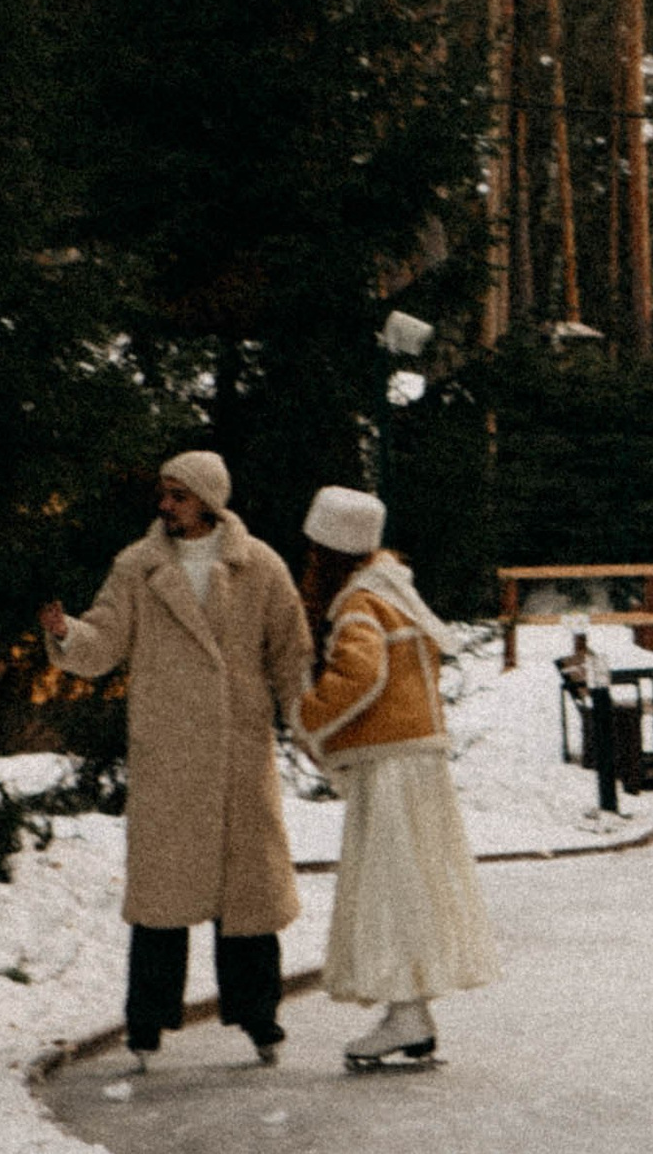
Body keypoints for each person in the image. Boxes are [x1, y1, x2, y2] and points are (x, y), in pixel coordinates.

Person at [41, 452, 312, 1071]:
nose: (165, 505)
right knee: (161, 900)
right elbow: (104, 640)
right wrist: (67, 634)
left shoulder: (260, 566)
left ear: (209, 501)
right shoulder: (138, 566)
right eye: (163, 494)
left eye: (178, 495)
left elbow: (290, 654)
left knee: (248, 902)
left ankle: (260, 1020)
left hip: (238, 753)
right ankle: (146, 1027)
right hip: (169, 755)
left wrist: (308, 722)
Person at [296, 485, 495, 1069]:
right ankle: (410, 1010)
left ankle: (406, 1012)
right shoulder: (394, 592)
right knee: (408, 884)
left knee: (389, 887)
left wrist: (308, 717)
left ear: (329, 551)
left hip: (392, 765)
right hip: (413, 760)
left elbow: (360, 674)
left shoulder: (361, 603)